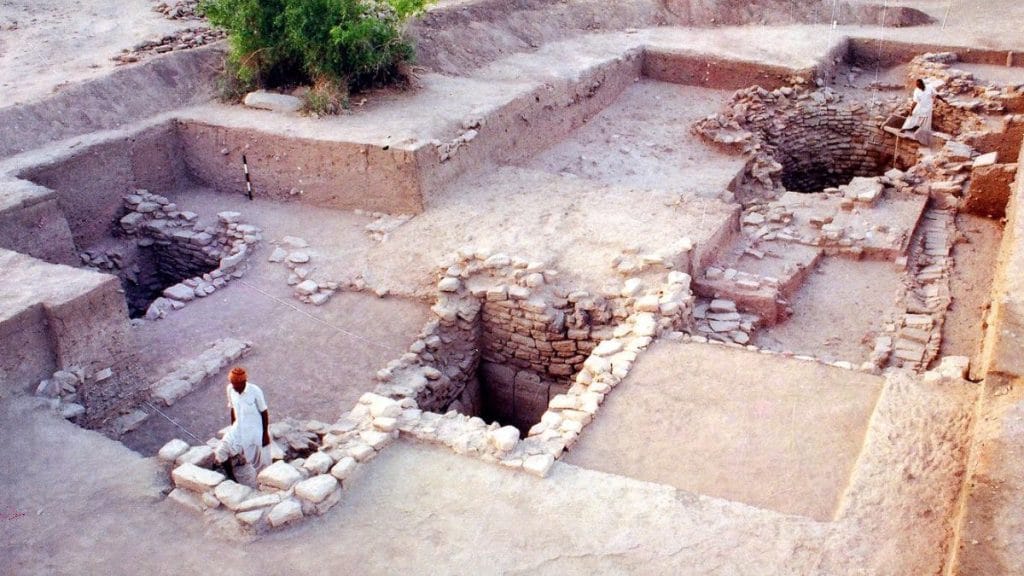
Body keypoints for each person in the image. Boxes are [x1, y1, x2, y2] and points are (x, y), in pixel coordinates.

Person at [213, 367, 271, 486]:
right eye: (232, 384)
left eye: (237, 384)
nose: (234, 387)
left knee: (263, 464)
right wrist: (232, 428)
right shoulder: (230, 389)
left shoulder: (255, 391)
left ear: (244, 382)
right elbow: (232, 408)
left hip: (255, 431)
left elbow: (264, 412)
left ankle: (264, 486)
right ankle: (232, 479)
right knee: (221, 451)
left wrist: (265, 434)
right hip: (238, 428)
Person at [900, 78, 946, 146]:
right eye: (917, 85)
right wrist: (911, 110)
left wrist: (943, 100)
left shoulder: (929, 88)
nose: (918, 87)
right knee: (912, 117)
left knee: (925, 123)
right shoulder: (916, 91)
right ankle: (904, 128)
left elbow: (936, 95)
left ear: (922, 84)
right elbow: (915, 102)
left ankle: (923, 137)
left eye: (919, 85)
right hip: (919, 107)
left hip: (928, 108)